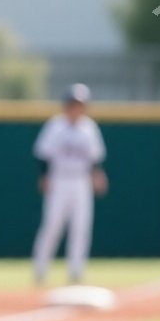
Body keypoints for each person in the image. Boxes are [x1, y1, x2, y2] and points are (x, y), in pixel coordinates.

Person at [33, 83, 107, 286]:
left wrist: (97, 174)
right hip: (60, 180)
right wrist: (44, 176)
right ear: (66, 105)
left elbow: (94, 158)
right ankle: (40, 270)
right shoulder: (55, 126)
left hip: (81, 182)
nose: (77, 108)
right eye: (73, 104)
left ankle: (76, 271)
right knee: (52, 226)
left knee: (81, 227)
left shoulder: (89, 127)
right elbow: (43, 154)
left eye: (80, 104)